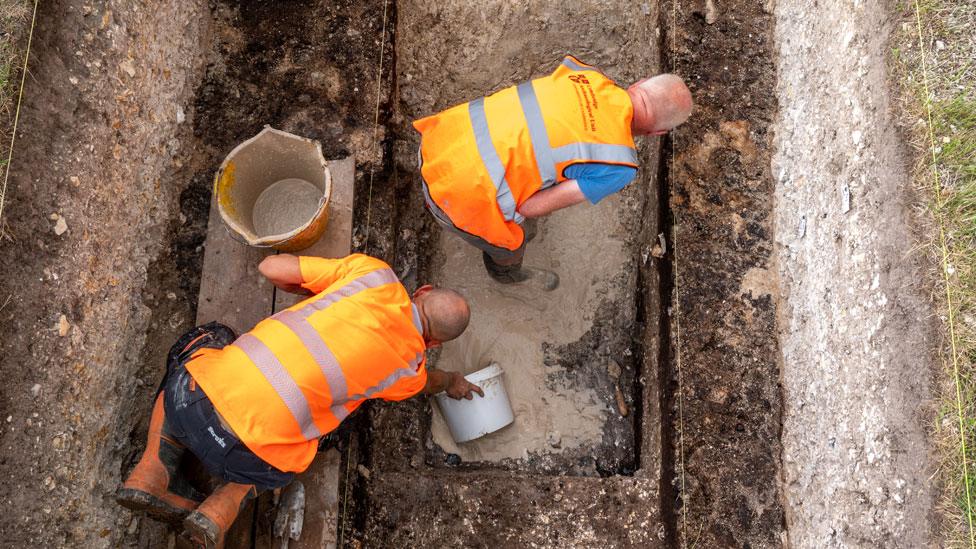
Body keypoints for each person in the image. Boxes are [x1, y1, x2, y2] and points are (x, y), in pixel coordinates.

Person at [116, 253, 479, 547]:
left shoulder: (374, 274)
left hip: (189, 405)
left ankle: (150, 471)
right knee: (313, 438)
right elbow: (427, 382)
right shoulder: (407, 372)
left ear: (422, 290)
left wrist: (321, 296)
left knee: (209, 337)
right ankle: (220, 509)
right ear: (433, 344)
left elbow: (270, 267)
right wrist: (452, 382)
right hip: (252, 460)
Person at [414, 55, 693, 290]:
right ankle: (508, 275)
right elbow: (530, 206)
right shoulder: (618, 165)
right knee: (514, 241)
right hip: (452, 197)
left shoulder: (586, 73)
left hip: (440, 138)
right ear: (657, 133)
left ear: (639, 84)